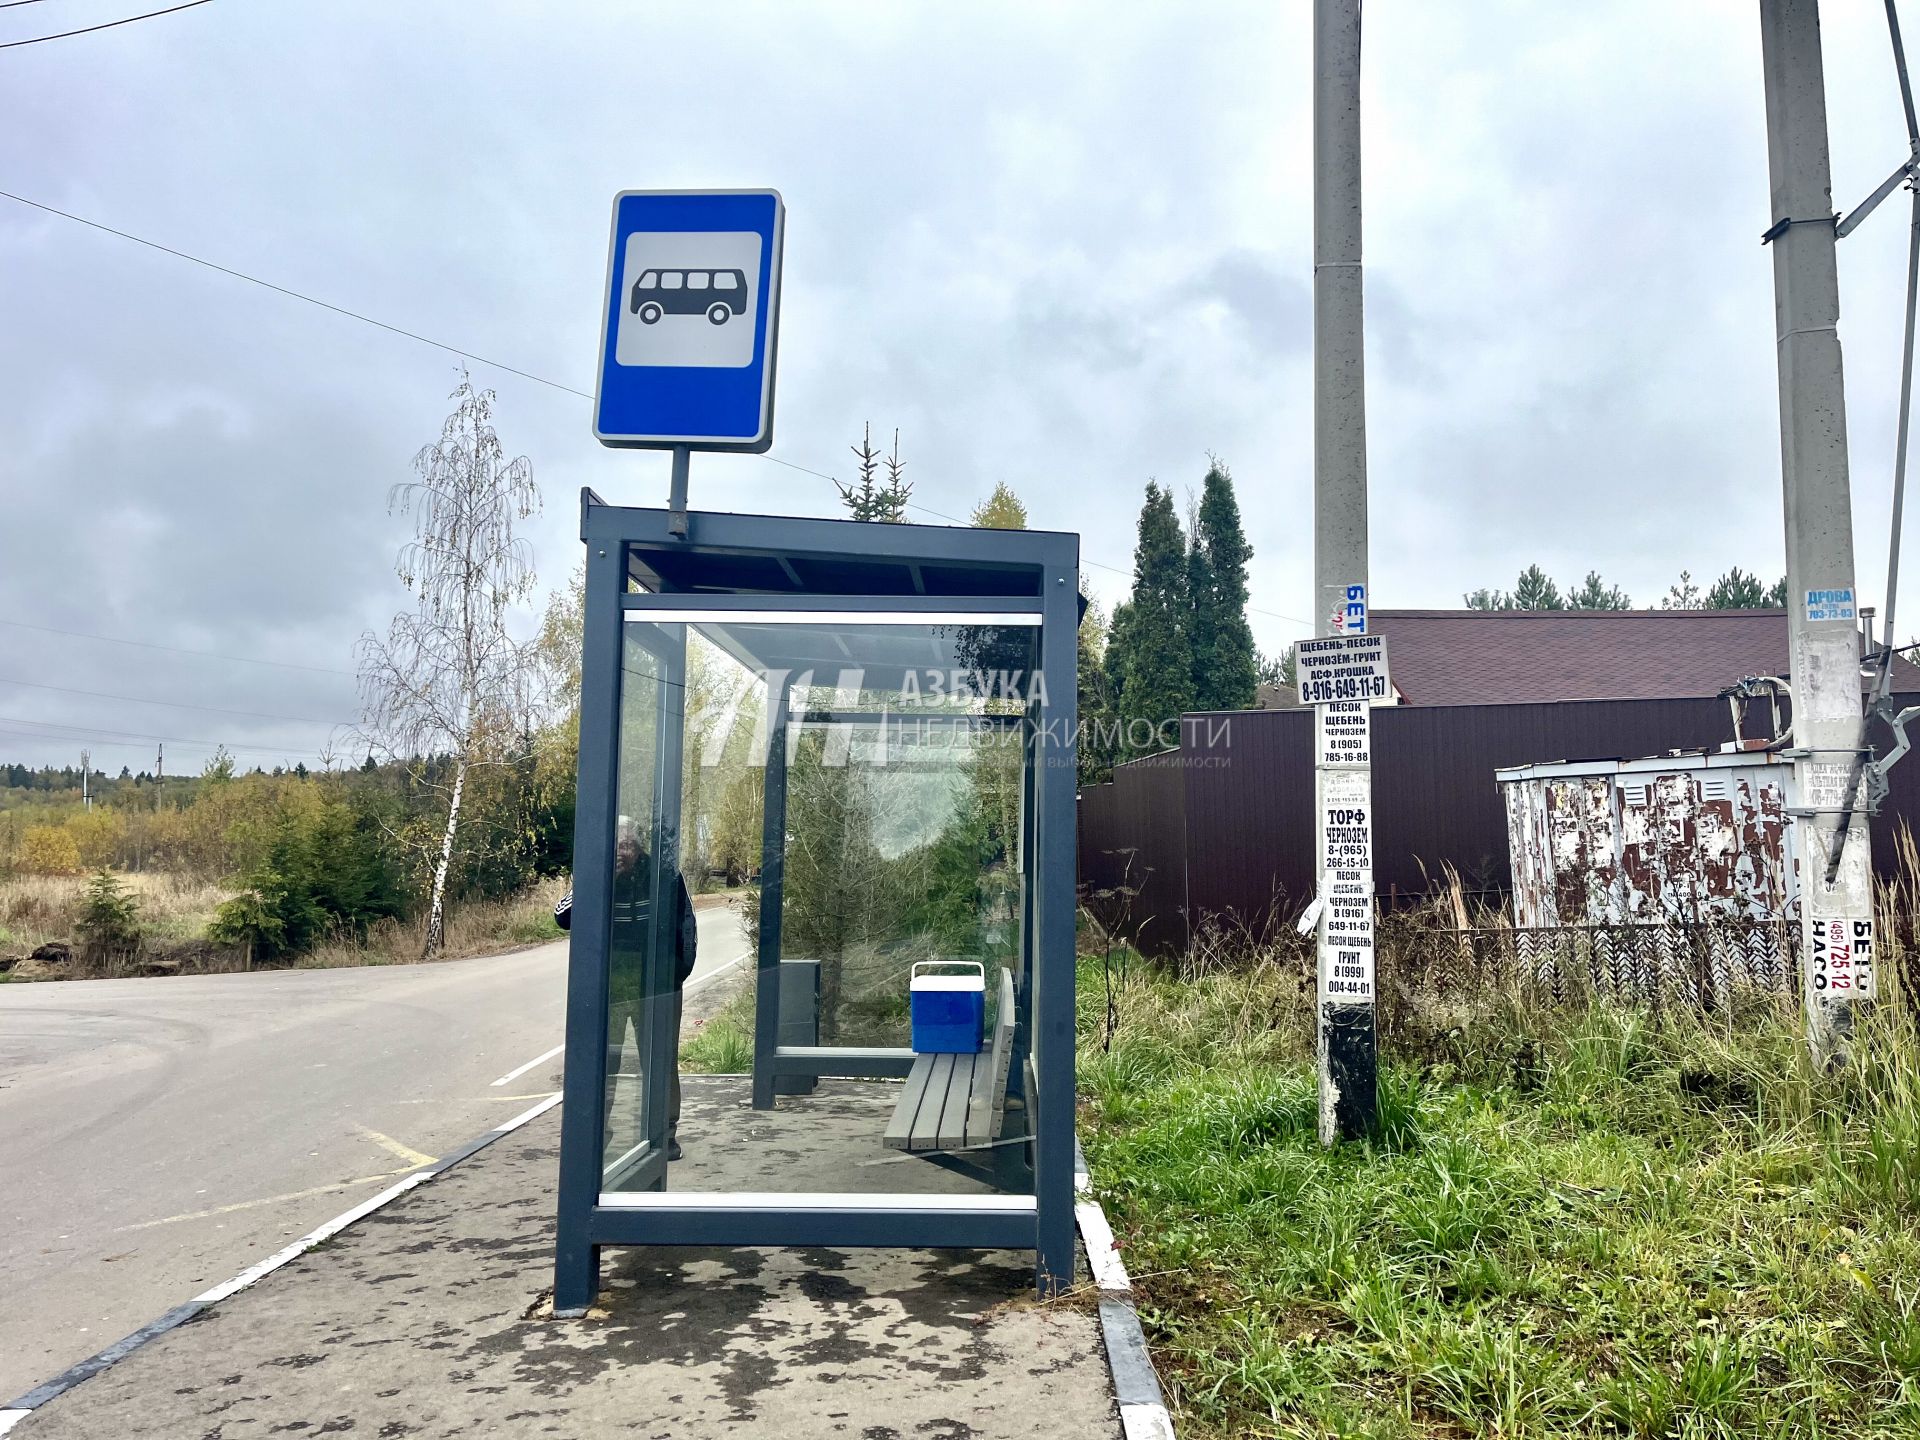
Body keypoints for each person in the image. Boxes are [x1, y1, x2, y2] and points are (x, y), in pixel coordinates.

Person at [555, 817, 698, 1160]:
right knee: (607, 1059)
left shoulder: (664, 874)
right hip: (611, 984)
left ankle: (665, 1135)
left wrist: (675, 975)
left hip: (656, 982)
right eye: (618, 845)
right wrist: (604, 879)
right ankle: (597, 1136)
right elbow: (563, 918)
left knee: (660, 1060)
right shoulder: (596, 873)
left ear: (639, 846)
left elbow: (687, 927)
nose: (623, 852)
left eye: (628, 845)